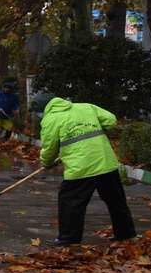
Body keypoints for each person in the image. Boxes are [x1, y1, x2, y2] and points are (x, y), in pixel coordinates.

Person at [39, 97, 136, 246]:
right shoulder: (86, 106)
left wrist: (46, 162)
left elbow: (49, 147)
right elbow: (110, 120)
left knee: (70, 203)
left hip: (81, 168)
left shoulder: (51, 119)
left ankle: (69, 239)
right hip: (105, 162)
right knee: (116, 201)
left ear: (45, 109)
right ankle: (126, 234)